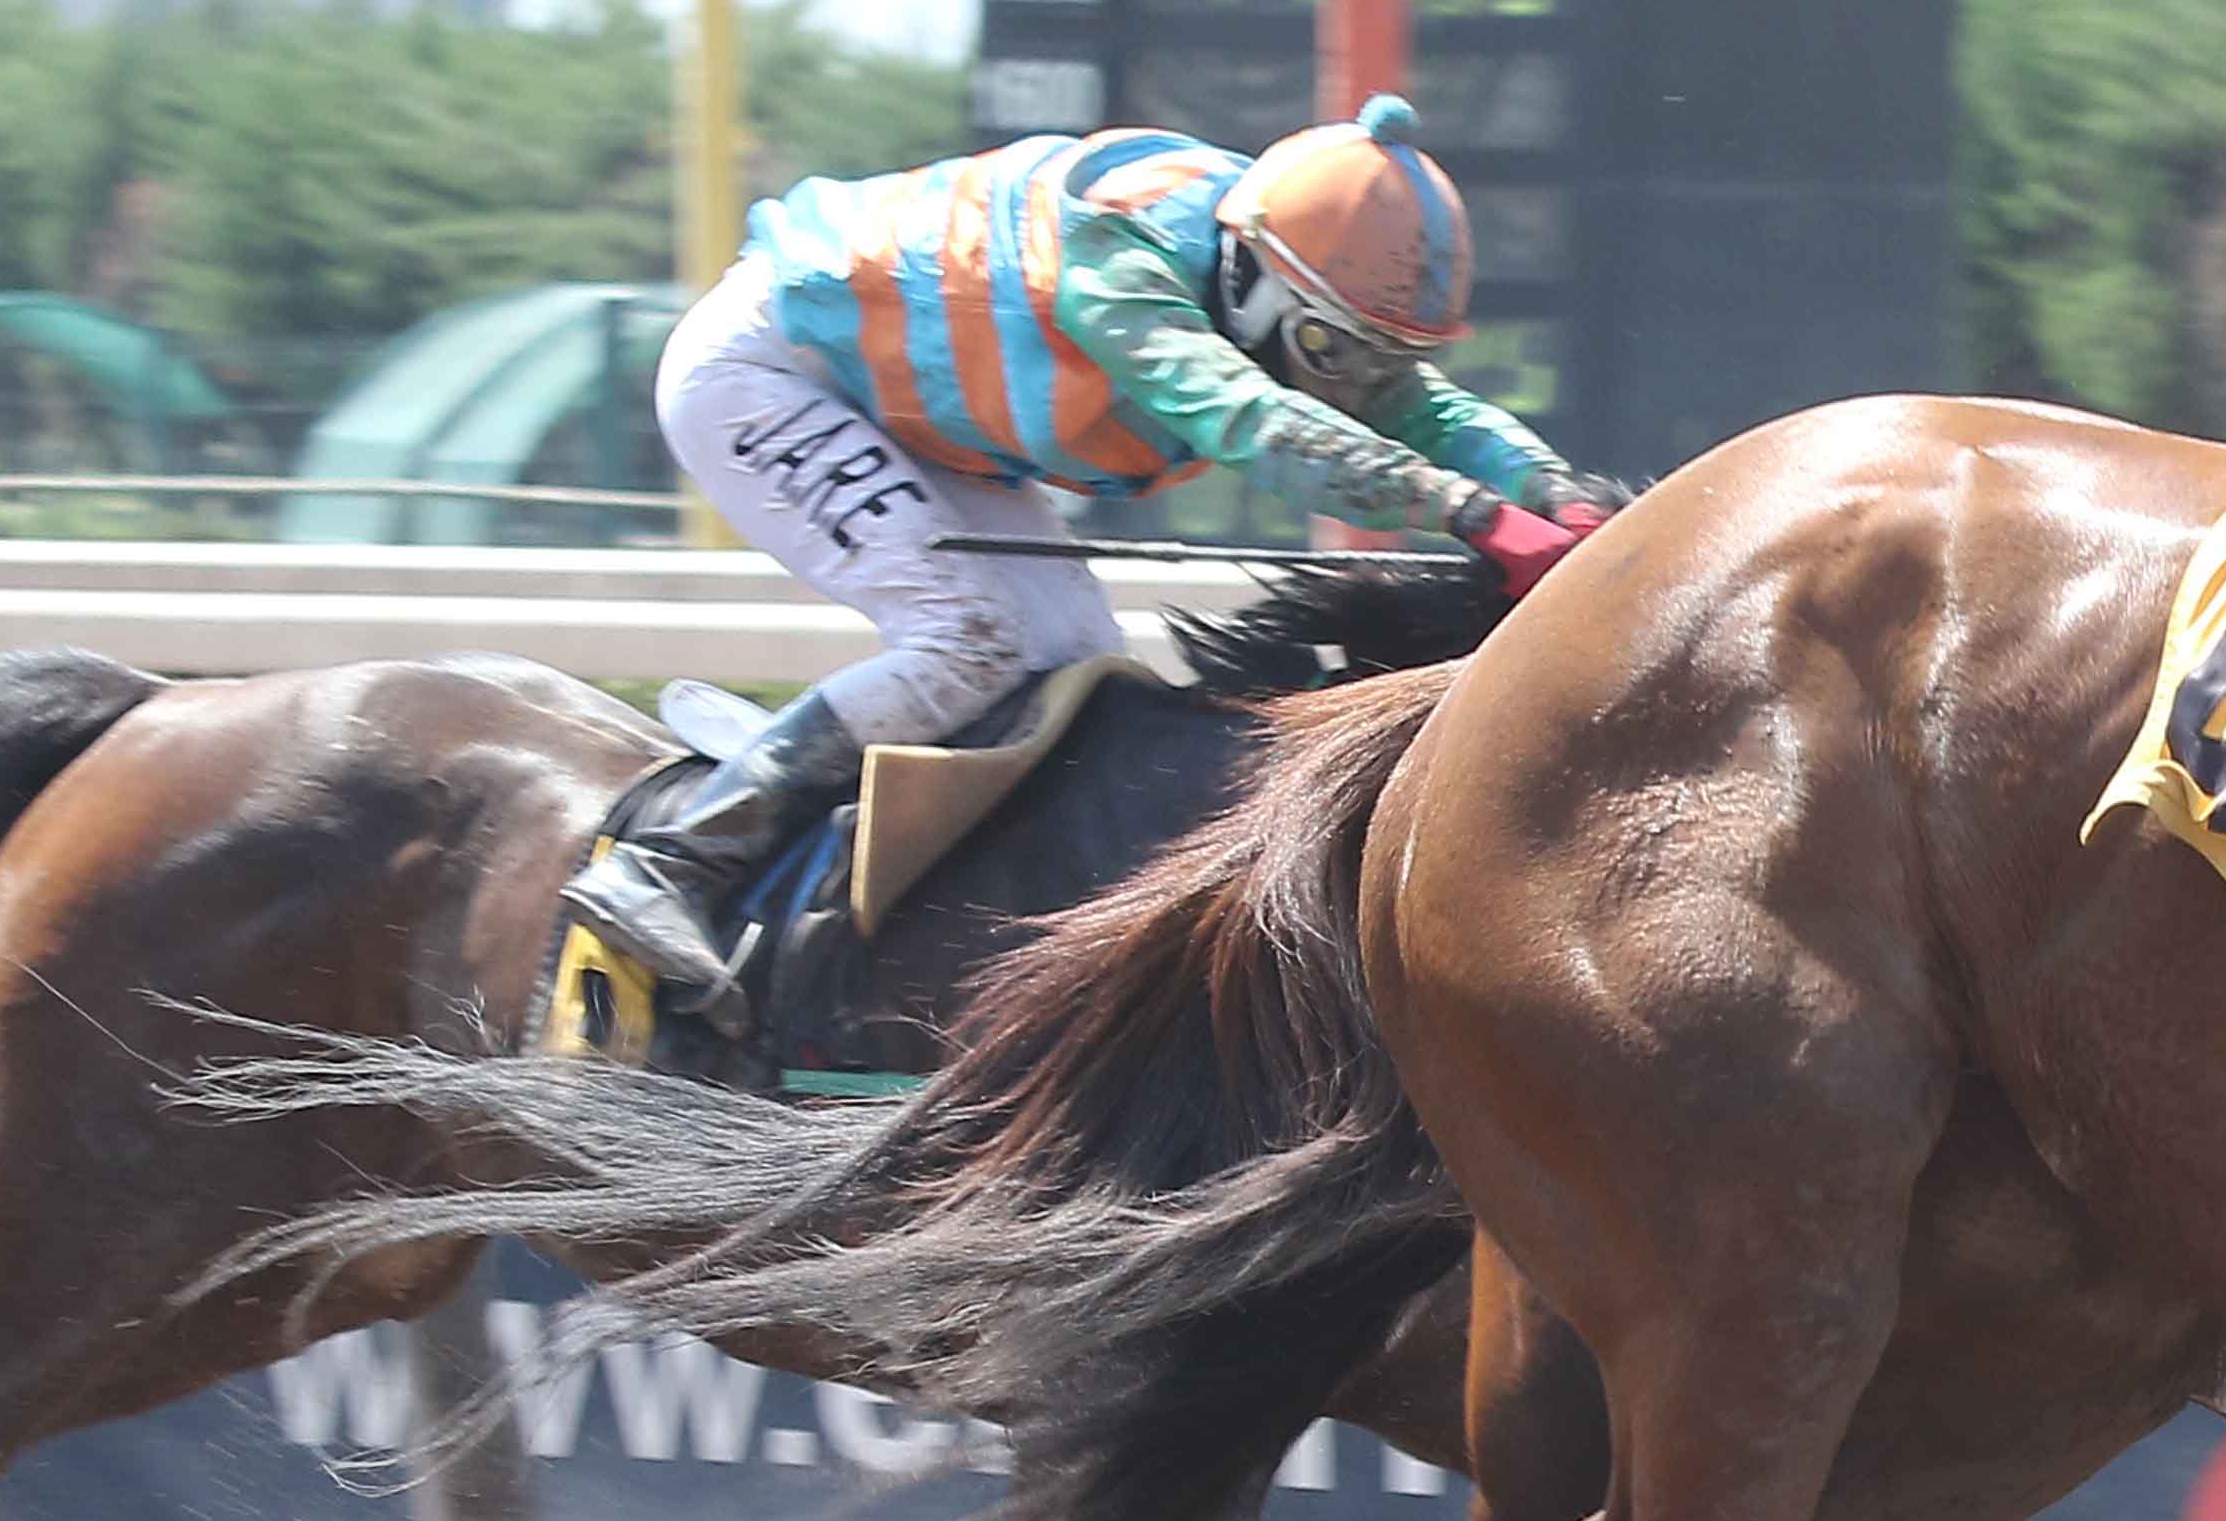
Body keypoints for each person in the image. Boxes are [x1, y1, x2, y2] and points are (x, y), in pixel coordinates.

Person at [569, 94, 1621, 1026]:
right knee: (969, 641)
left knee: (1069, 661)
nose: (1356, 389)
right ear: (1257, 283)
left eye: (1384, 360)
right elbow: (1250, 420)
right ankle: (672, 860)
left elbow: (1425, 410)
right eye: (1336, 354)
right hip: (766, 377)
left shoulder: (1272, 261)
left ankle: (868, 862)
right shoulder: (1126, 267)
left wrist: (1553, 494)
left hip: (907, 417)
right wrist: (1470, 515)